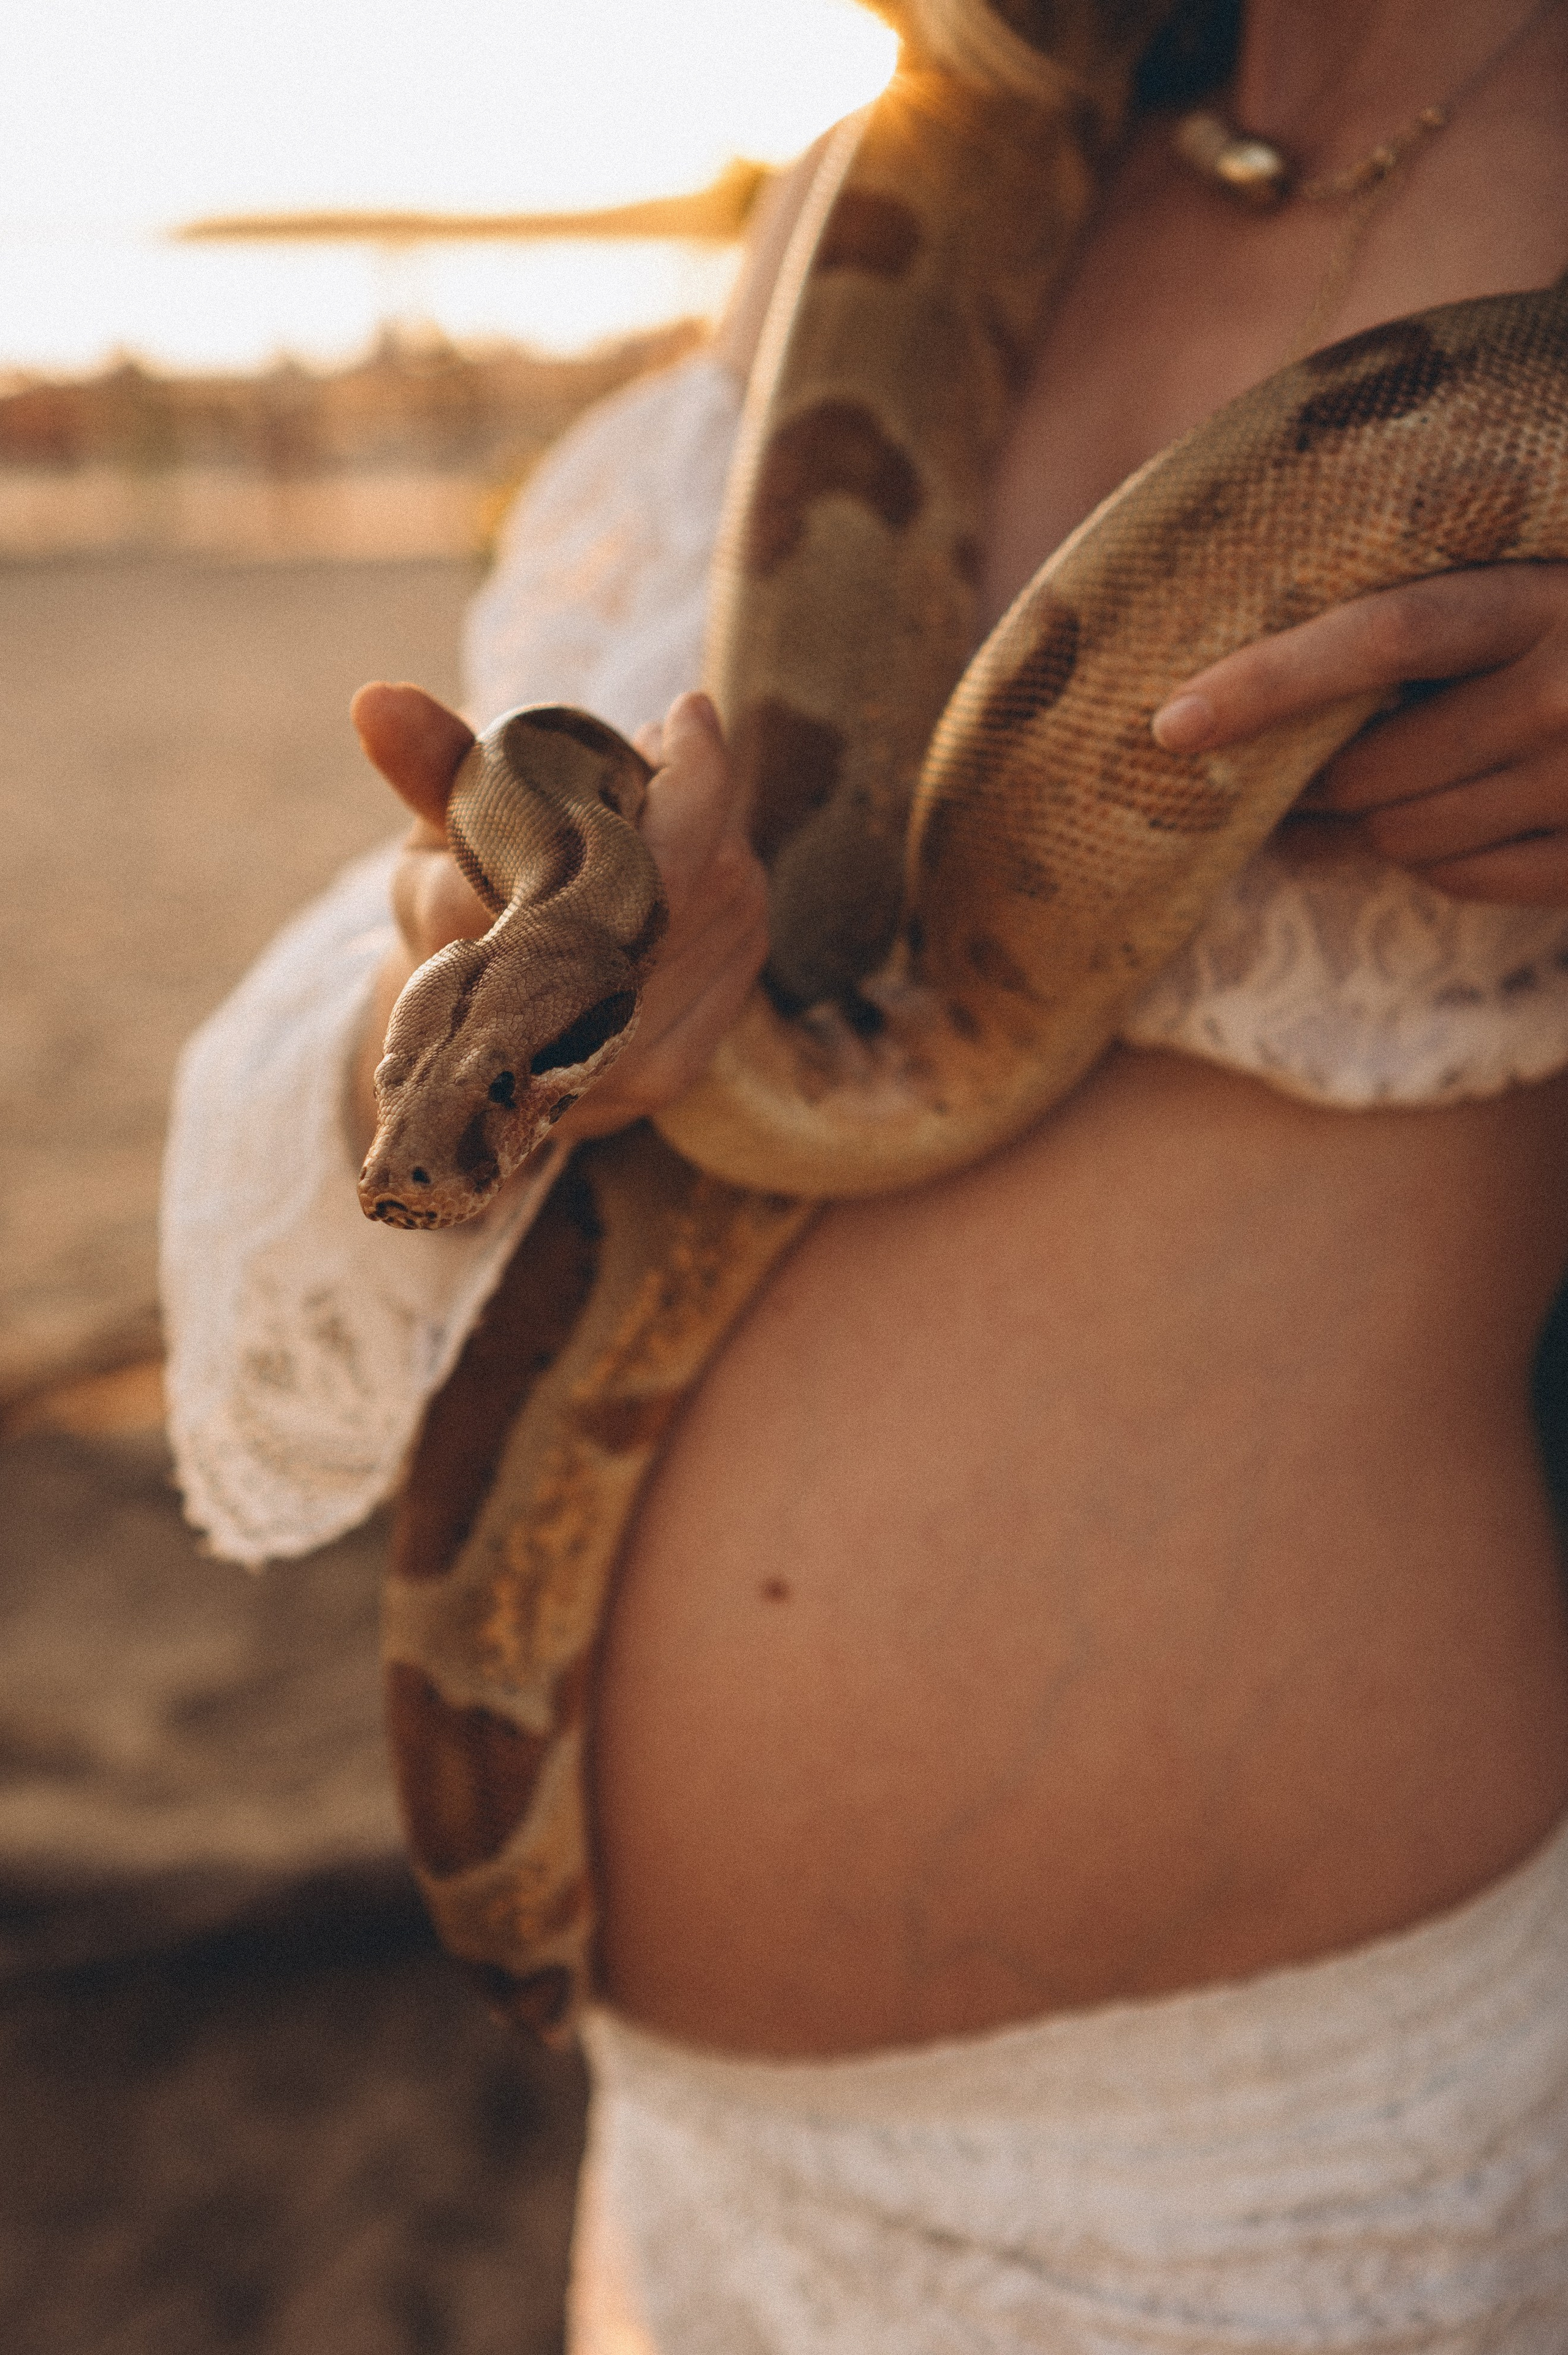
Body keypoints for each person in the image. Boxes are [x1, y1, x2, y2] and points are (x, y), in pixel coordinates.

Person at [163, 0, 1568, 2343]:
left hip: (1284, 2169)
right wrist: (490, 931)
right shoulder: (907, 177)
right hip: (706, 2174)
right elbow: (557, 855)